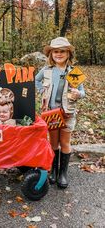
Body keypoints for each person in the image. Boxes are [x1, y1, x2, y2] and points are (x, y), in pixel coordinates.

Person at [35, 37, 85, 189]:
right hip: (51, 113)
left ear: (68, 53)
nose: (59, 54)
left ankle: (63, 173)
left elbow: (83, 92)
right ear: (51, 54)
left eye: (62, 51)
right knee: (53, 142)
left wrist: (78, 93)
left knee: (65, 142)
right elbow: (35, 81)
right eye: (55, 51)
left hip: (67, 113)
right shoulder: (46, 70)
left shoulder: (74, 72)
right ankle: (53, 171)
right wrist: (42, 89)